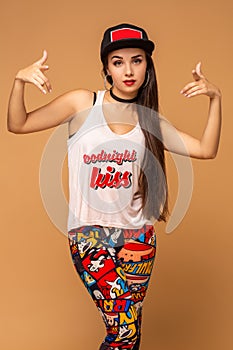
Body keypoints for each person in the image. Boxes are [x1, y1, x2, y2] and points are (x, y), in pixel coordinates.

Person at [7, 23, 221, 350]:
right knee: (124, 331)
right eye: (118, 62)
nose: (128, 70)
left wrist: (215, 98)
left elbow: (206, 149)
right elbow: (17, 123)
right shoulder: (82, 103)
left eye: (137, 60)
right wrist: (19, 81)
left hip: (139, 238)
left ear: (148, 65)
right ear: (106, 69)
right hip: (89, 236)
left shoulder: (151, 121)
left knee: (129, 335)